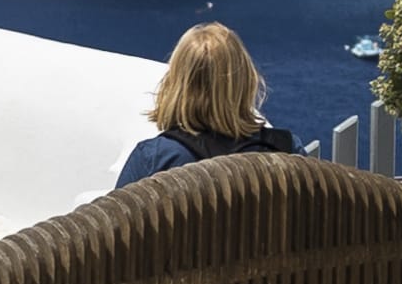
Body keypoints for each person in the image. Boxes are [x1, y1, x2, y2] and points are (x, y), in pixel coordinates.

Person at [118, 24, 298, 183]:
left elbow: (116, 219)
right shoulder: (287, 149)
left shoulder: (154, 160)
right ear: (246, 81)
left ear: (175, 84)